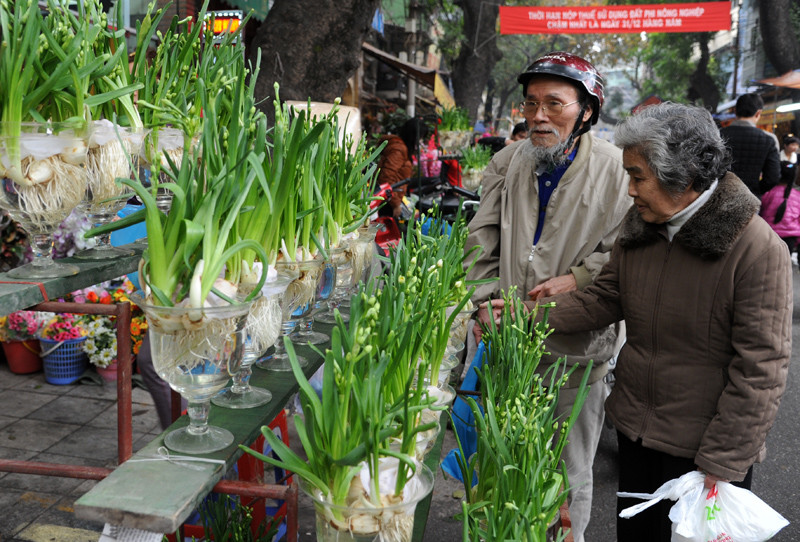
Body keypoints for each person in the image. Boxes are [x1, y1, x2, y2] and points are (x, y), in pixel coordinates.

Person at [481, 102, 792, 541]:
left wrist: (722, 461)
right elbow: (605, 298)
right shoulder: (642, 226)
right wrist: (524, 316)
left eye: (638, 176)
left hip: (703, 449)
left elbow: (762, 369)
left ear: (681, 176)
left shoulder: (756, 250)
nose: (629, 190)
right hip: (636, 430)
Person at [465, 51, 632, 542]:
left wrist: (579, 277)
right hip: (506, 341)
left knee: (568, 472)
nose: (538, 116)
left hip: (576, 353)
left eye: (554, 104)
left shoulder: (618, 171)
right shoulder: (507, 162)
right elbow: (480, 244)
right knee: (504, 464)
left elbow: (626, 254)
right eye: (531, 103)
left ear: (586, 111)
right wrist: (481, 301)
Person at [719, 93, 780, 196]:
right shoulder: (769, 140)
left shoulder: (718, 135)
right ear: (758, 113)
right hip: (751, 201)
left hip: (719, 197)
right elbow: (772, 178)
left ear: (735, 111)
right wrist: (755, 192)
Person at [376, 118, 428, 218]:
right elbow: (386, 178)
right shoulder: (399, 150)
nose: (421, 141)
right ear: (414, 136)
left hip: (390, 199)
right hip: (387, 202)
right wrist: (395, 205)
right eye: (421, 137)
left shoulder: (401, 148)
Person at [761, 160, 800, 256]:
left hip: (770, 235)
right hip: (790, 238)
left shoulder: (768, 193)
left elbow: (761, 212)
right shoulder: (797, 196)